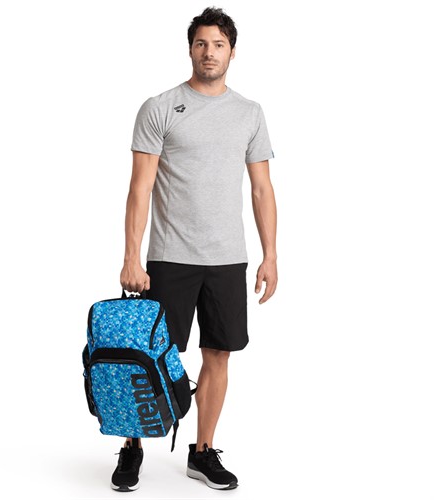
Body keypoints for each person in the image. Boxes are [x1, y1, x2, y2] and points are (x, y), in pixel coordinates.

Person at [113, 6, 278, 492]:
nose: (210, 52)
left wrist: (270, 254)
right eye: (202, 43)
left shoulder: (250, 112)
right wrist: (131, 256)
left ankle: (202, 452)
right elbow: (140, 188)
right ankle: (132, 447)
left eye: (219, 45)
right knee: (147, 356)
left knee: (219, 354)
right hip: (170, 257)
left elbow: (262, 189)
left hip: (227, 259)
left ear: (232, 52)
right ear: (190, 49)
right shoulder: (160, 107)